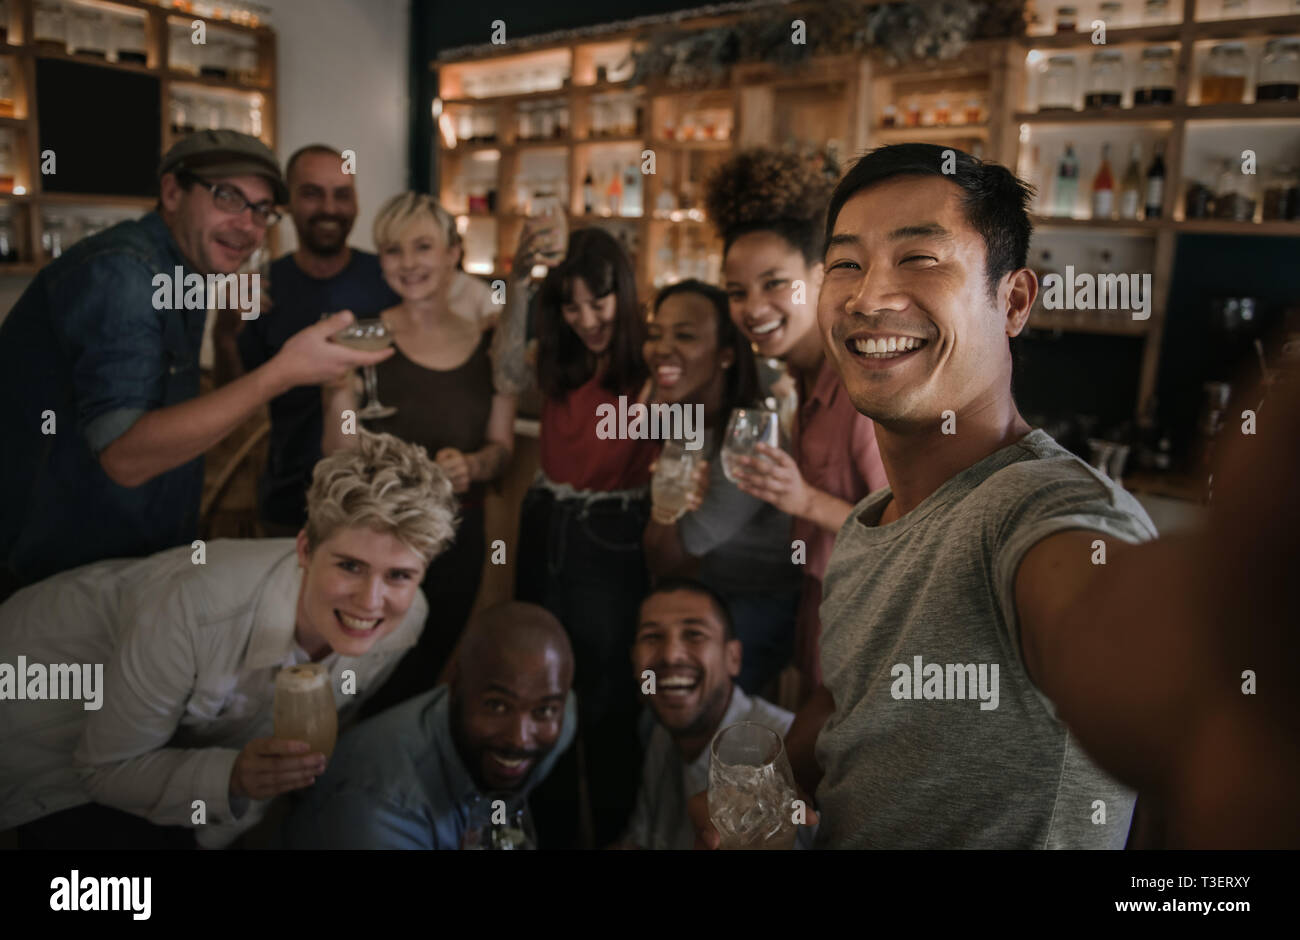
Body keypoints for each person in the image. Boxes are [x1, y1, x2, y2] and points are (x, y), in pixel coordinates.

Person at [0, 430, 456, 849]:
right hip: (40, 706)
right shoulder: (194, 608)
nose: (370, 602)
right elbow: (105, 769)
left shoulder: (407, 622)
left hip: (168, 760)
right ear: (304, 549)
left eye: (399, 575)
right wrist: (232, 777)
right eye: (349, 566)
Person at [0, 131, 390, 597]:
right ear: (171, 192)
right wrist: (285, 370)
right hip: (53, 570)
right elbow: (125, 455)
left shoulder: (188, 274)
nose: (247, 225)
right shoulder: (124, 274)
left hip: (132, 558)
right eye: (228, 198)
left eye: (262, 210)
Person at [493, 224, 657, 848]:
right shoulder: (558, 357)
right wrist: (515, 287)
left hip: (613, 532)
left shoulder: (649, 361)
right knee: (541, 686)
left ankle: (616, 835)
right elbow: (508, 372)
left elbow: (709, 400)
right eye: (570, 304)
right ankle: (552, 836)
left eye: (600, 300)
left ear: (626, 290)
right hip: (544, 520)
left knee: (610, 701)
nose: (586, 317)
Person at [703, 149, 887, 697]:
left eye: (774, 284)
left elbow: (910, 532)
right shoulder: (798, 379)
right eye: (737, 292)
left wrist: (802, 499)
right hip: (817, 603)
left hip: (866, 617)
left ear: (820, 274)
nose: (753, 307)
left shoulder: (863, 387)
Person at [322, 193, 515, 713]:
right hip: (375, 543)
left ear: (454, 252)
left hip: (455, 543)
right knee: (358, 678)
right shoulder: (363, 336)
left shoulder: (491, 344)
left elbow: (502, 451)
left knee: (424, 673)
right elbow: (337, 451)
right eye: (392, 250)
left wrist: (473, 466)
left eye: (423, 247)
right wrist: (337, 392)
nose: (408, 263)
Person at [215, 143, 402, 537]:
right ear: (287, 204)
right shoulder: (261, 287)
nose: (329, 208)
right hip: (291, 501)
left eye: (342, 194)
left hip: (383, 498)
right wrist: (225, 331)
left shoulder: (389, 277)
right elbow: (232, 404)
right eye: (312, 193)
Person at [280, 601, 576, 850]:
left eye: (544, 709)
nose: (519, 739)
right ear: (456, 686)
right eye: (497, 705)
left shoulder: (560, 723)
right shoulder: (381, 811)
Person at [641, 280, 802, 695]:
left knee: (686, 699)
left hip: (753, 602)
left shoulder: (747, 437)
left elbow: (668, 558)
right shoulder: (688, 412)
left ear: (726, 354)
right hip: (705, 591)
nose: (661, 348)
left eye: (685, 335)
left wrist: (665, 507)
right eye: (655, 334)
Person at [621, 578, 796, 850]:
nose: (671, 655)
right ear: (635, 663)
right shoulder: (661, 733)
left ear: (733, 658)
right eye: (652, 637)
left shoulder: (784, 746)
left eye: (694, 634)